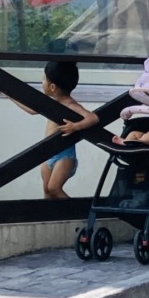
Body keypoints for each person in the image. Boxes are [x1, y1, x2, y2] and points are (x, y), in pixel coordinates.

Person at [24, 60, 86, 198]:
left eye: (44, 79)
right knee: (47, 189)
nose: (42, 82)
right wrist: (10, 94)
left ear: (52, 87)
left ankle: (76, 213)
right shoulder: (50, 103)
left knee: (54, 188)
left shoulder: (71, 105)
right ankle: (48, 216)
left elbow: (92, 118)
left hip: (65, 156)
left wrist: (75, 126)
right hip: (49, 154)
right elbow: (31, 110)